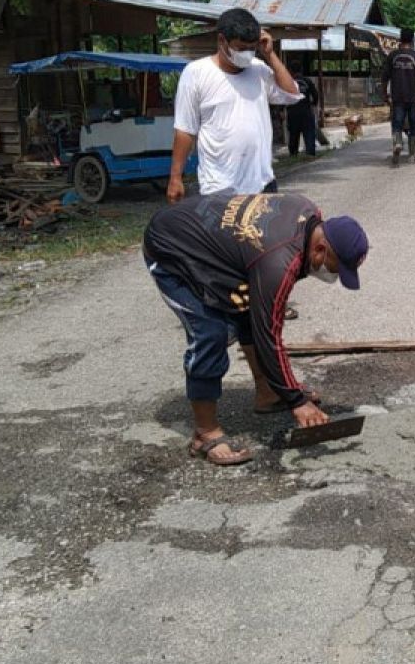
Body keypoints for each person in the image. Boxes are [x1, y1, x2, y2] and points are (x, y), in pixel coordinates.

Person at [144, 192, 369, 465]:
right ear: (320, 249)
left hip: (210, 241)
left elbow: (262, 316)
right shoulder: (279, 261)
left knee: (249, 310)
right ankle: (205, 433)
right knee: (210, 332)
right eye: (335, 268)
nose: (332, 275)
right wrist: (296, 401)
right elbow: (269, 335)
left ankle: (267, 393)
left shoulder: (309, 214)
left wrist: (285, 390)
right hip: (171, 246)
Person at [167, 8, 303, 204]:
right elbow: (185, 130)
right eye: (240, 48)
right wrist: (175, 177)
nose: (247, 54)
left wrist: (270, 55)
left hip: (262, 184)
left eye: (252, 48)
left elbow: (292, 94)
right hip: (220, 188)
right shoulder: (196, 73)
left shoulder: (258, 70)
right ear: (222, 40)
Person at [380, 28, 415, 164]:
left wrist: (384, 94)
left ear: (400, 40)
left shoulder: (392, 56)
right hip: (414, 97)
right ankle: (412, 155)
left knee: (397, 122)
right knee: (414, 125)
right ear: (411, 41)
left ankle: (397, 143)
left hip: (397, 97)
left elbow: (384, 77)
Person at [287, 68, 320, 158]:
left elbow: (282, 95)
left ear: (291, 71)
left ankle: (293, 155)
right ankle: (310, 154)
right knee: (309, 132)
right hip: (306, 110)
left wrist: (282, 109)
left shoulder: (289, 81)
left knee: (293, 134)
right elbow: (315, 94)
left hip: (293, 110)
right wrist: (313, 104)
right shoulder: (307, 81)